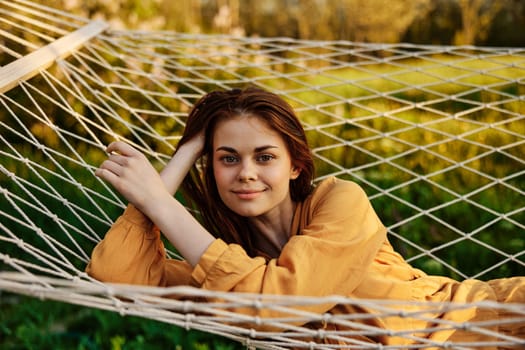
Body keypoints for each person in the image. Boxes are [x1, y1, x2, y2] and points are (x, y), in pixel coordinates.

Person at [86, 87, 524, 348]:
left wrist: (161, 203)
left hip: (492, 325)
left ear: (295, 165)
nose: (247, 173)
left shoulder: (341, 202)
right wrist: (183, 157)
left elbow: (279, 301)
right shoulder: (225, 273)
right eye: (227, 158)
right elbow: (116, 277)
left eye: (265, 156)